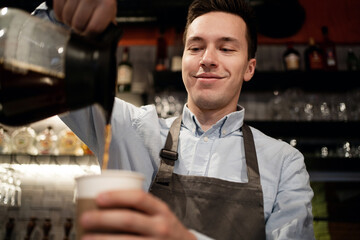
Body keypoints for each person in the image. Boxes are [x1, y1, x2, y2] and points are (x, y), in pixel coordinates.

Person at [35, 0, 315, 239]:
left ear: (249, 68)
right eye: (195, 47)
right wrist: (58, 9)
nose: (207, 59)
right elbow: (41, 71)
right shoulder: (128, 128)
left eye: (226, 49)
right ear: (182, 59)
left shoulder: (284, 163)